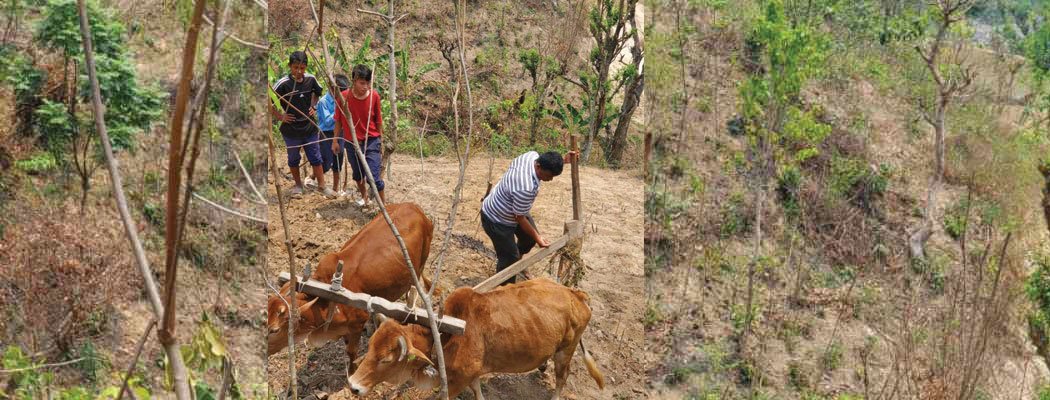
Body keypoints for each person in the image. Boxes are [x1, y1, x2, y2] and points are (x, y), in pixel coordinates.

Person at [480, 150, 576, 285]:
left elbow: (520, 215)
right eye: (548, 175)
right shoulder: (525, 187)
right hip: (496, 219)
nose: (550, 179)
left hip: (512, 207)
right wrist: (539, 239)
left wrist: (563, 160)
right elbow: (519, 218)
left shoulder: (531, 156)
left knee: (529, 239)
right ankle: (504, 289)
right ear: (538, 167)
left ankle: (516, 264)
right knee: (509, 259)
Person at [270, 50, 333, 197]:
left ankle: (322, 186)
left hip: (309, 127)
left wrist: (314, 106)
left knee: (316, 157)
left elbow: (317, 92)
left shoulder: (311, 79)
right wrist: (280, 116)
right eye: (295, 67)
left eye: (302, 68)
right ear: (290, 66)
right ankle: (298, 186)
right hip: (291, 130)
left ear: (306, 68)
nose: (299, 71)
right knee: (293, 158)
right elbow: (268, 100)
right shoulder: (283, 84)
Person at [332, 64, 385, 208]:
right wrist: (335, 140)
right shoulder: (343, 98)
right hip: (351, 142)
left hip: (372, 140)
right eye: (362, 83)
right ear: (354, 81)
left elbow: (378, 120)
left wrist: (381, 141)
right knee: (358, 175)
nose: (365, 86)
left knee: (373, 177)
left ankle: (383, 207)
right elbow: (338, 121)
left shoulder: (374, 96)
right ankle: (365, 198)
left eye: (368, 83)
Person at [316, 73, 350, 195]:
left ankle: (335, 189)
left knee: (338, 160)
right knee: (326, 162)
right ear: (333, 89)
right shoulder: (323, 102)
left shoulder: (343, 101)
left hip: (339, 133)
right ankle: (314, 177)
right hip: (326, 134)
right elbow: (328, 121)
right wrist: (339, 113)